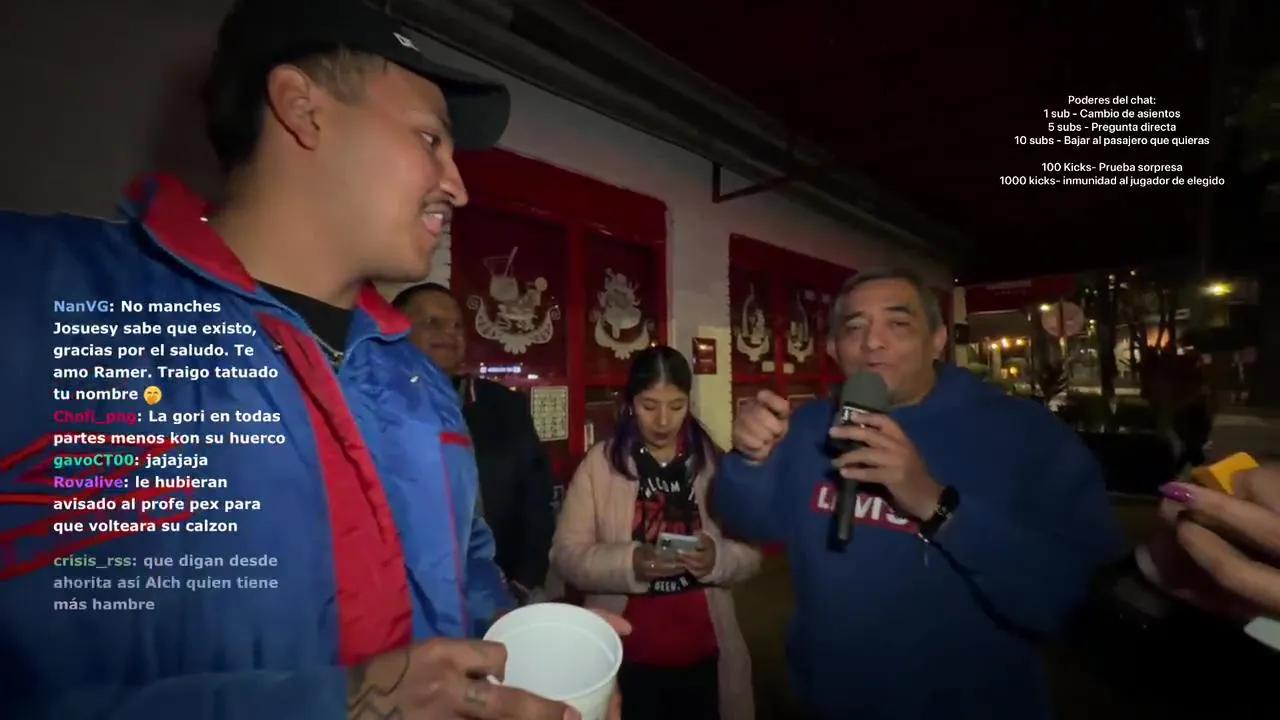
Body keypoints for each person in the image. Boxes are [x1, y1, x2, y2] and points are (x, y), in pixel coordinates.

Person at [0, 0, 625, 718]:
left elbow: (466, 577)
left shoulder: (417, 381)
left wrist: (523, 656)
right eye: (430, 138)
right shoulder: (34, 299)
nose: (458, 186)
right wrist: (348, 704)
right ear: (303, 109)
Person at [715, 267, 1126, 720]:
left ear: (937, 340)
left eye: (898, 323)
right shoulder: (809, 425)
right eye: (854, 327)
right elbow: (750, 522)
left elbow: (1078, 599)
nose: (873, 342)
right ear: (833, 348)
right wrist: (749, 462)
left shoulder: (1027, 436)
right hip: (832, 700)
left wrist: (937, 504)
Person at [551, 345, 760, 720]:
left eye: (676, 406)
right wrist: (629, 563)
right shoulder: (600, 465)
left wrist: (717, 559)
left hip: (705, 655)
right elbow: (566, 555)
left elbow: (751, 552)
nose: (663, 421)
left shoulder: (713, 463)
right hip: (625, 656)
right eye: (649, 406)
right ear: (630, 403)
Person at [393, 282, 556, 603]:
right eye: (433, 323)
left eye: (457, 326)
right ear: (395, 332)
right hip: (407, 599)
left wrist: (522, 581)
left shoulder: (504, 407)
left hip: (502, 593)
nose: (449, 334)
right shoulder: (375, 408)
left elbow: (536, 501)